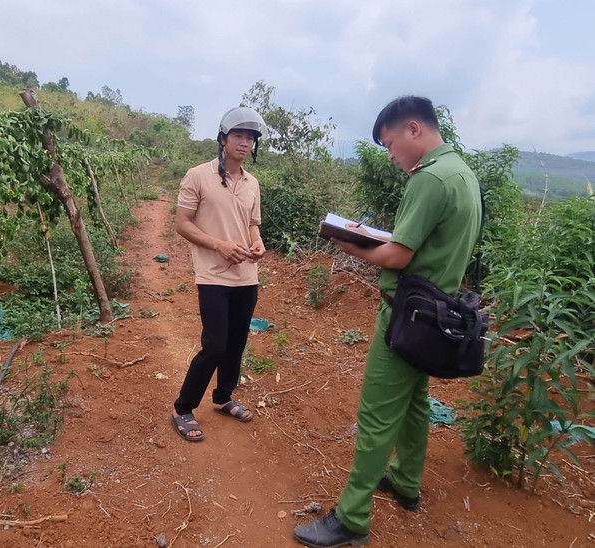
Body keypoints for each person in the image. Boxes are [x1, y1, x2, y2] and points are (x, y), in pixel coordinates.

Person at [294, 96, 482, 547]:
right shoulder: (462, 173)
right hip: (435, 314)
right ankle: (405, 480)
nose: (392, 156)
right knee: (415, 402)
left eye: (391, 144)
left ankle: (352, 517)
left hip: (407, 313)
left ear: (413, 129)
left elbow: (399, 254)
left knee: (377, 415)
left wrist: (351, 244)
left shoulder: (430, 179)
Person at [170, 106, 268, 442]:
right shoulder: (197, 175)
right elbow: (182, 224)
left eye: (251, 137)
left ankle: (223, 396)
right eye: (239, 135)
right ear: (223, 138)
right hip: (213, 275)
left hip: (246, 276)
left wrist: (258, 244)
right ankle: (183, 407)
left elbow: (253, 225)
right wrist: (219, 245)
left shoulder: (253, 183)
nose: (245, 142)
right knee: (214, 345)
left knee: (237, 343)